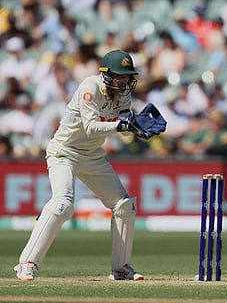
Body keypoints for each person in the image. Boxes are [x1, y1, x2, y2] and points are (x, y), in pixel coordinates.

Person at [14, 50, 166, 281]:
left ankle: (121, 268)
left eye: (127, 77)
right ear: (106, 75)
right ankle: (27, 264)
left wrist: (135, 127)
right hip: (64, 152)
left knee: (123, 205)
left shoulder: (123, 95)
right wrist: (123, 126)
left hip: (92, 155)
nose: (124, 81)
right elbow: (91, 128)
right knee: (63, 204)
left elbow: (123, 130)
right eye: (119, 76)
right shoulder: (90, 87)